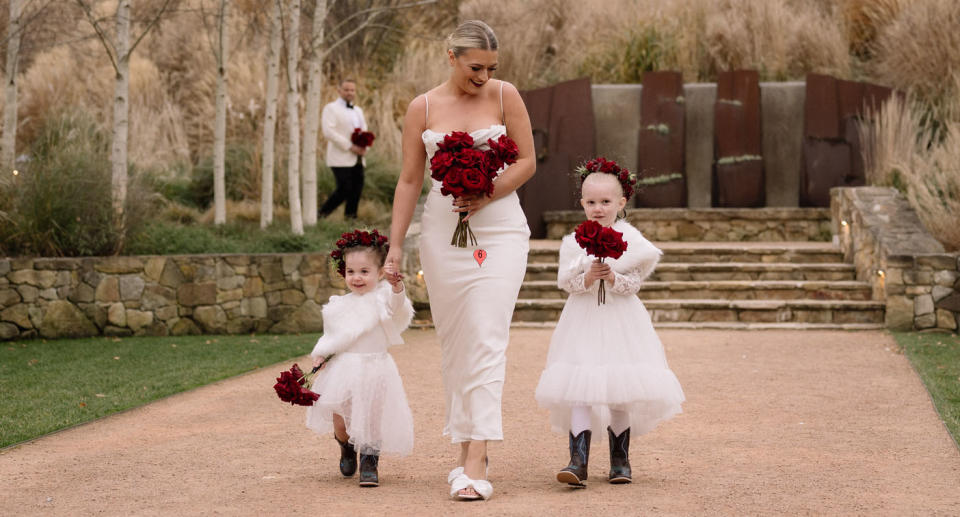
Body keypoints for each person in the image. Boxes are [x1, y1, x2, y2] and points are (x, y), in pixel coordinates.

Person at [383, 20, 535, 501]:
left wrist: (486, 192)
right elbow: (410, 180)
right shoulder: (422, 107)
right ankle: (464, 445)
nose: (484, 76)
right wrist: (394, 246)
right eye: (475, 67)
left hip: (501, 229)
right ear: (450, 57)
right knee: (456, 344)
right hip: (442, 236)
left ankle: (478, 457)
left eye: (491, 68)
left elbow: (528, 161)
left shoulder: (506, 95)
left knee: (487, 336)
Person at [534, 163, 685, 488]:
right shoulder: (574, 241)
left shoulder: (633, 240)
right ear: (582, 204)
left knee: (620, 387)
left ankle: (620, 460)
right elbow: (567, 283)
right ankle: (578, 461)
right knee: (579, 388)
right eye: (591, 202)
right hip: (583, 320)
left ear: (621, 203)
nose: (598, 208)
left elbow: (633, 285)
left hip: (620, 320)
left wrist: (614, 277)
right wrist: (587, 277)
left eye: (605, 202)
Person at [305, 229, 415, 488]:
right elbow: (331, 337)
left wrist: (397, 285)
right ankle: (345, 446)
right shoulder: (337, 306)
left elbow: (399, 307)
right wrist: (320, 356)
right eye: (351, 272)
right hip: (344, 368)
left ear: (379, 273)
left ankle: (369, 461)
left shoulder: (383, 299)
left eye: (364, 272)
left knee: (372, 416)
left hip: (375, 366)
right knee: (342, 420)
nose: (357, 277)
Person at [318, 79, 368, 219]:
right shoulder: (331, 108)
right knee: (344, 189)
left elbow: (364, 130)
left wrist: (365, 146)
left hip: (358, 158)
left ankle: (350, 221)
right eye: (346, 90)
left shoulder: (358, 110)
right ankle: (321, 215)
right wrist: (351, 146)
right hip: (339, 157)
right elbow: (329, 132)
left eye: (352, 90)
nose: (350, 92)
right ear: (339, 90)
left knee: (356, 190)